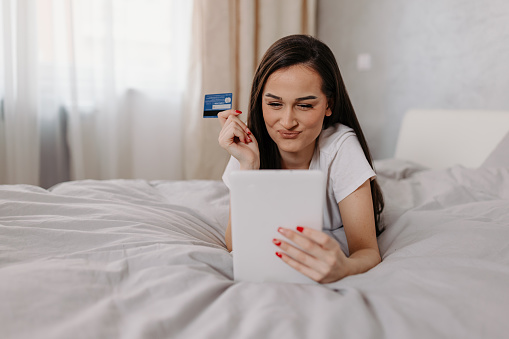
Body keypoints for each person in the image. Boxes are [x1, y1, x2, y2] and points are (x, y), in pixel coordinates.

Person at [217, 34, 384, 284]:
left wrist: (345, 268)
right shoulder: (250, 144)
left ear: (329, 104)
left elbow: (368, 252)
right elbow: (235, 245)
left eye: (304, 106)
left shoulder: (340, 146)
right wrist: (247, 165)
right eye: (274, 104)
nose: (287, 122)